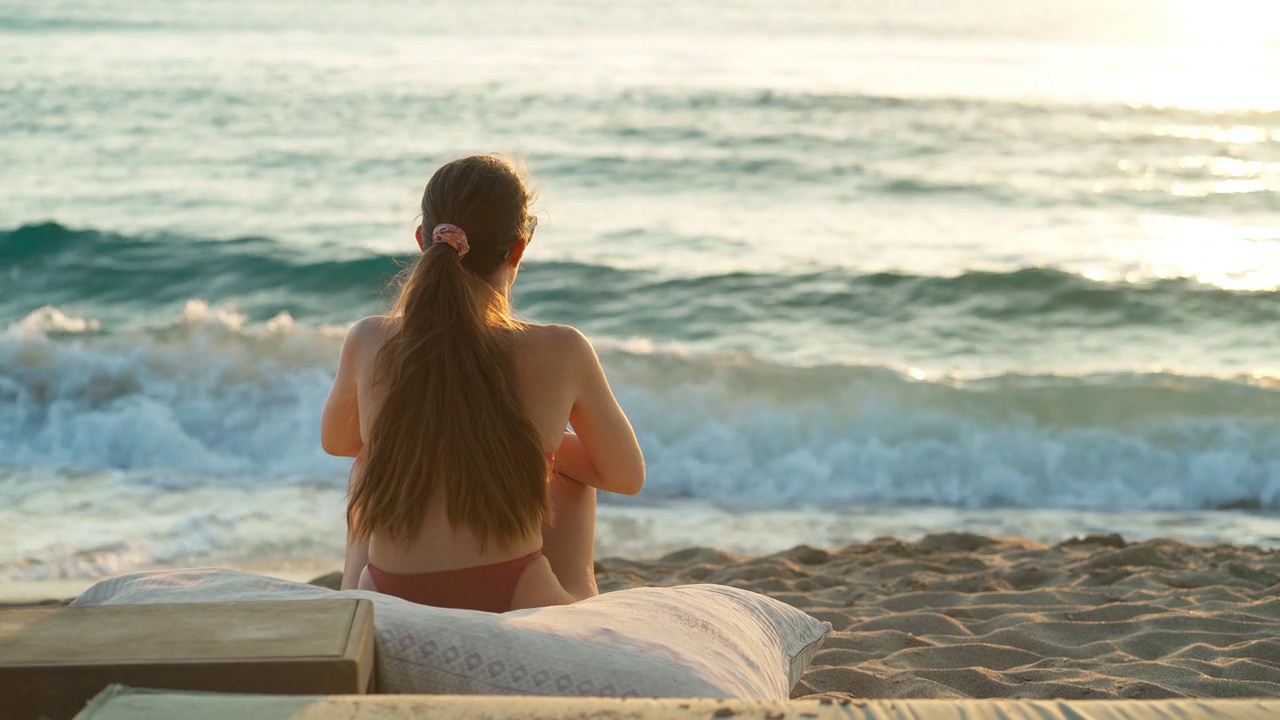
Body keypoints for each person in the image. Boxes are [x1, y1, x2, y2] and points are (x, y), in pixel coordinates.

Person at [320, 154, 645, 612]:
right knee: (569, 478)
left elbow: (337, 442)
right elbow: (626, 476)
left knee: (368, 462)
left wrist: (430, 428)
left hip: (386, 588)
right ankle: (578, 612)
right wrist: (532, 443)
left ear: (421, 240)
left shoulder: (369, 338)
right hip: (511, 590)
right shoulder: (561, 349)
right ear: (518, 248)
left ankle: (351, 601)